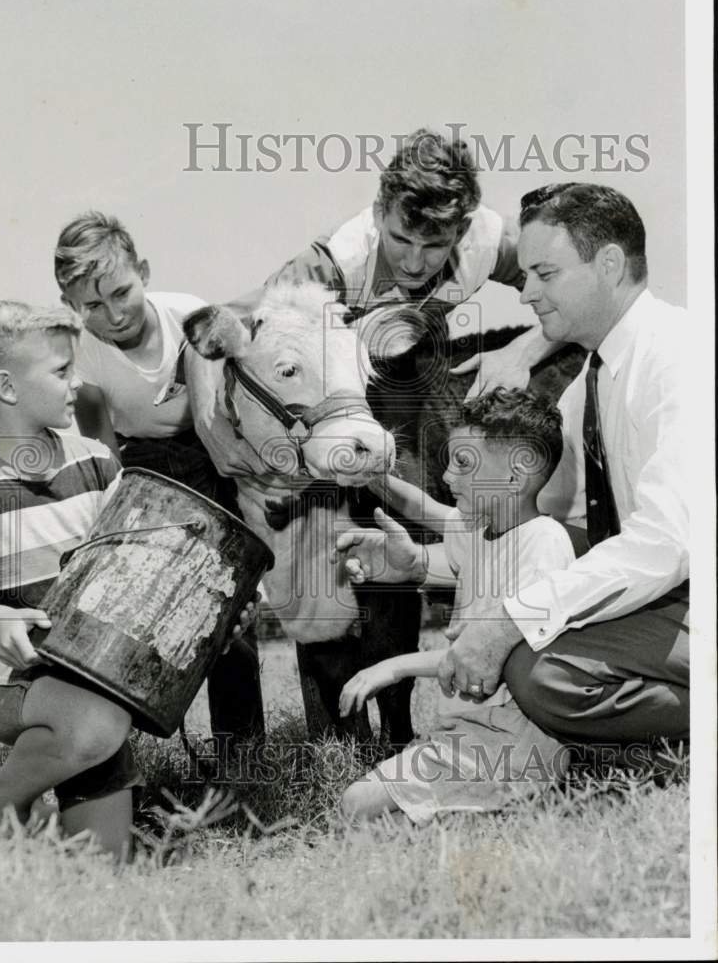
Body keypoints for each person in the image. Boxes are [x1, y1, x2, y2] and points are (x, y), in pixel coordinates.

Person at [0, 301, 257, 858]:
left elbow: (139, 574)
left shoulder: (98, 463)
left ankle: (40, 806)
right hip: (3, 674)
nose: (77, 383)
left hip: (95, 675)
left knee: (103, 866)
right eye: (61, 371)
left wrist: (214, 614)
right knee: (100, 722)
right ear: (7, 388)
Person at [437, 183, 689, 747]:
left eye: (545, 275)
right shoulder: (590, 382)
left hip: (694, 594)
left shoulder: (680, 357)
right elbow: (529, 521)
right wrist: (419, 559)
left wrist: (508, 617)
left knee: (537, 667)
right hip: (666, 597)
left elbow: (665, 543)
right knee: (536, 659)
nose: (525, 294)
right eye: (525, 274)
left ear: (609, 263)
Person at [54, 212, 264, 751]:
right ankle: (111, 757)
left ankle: (241, 755)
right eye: (92, 306)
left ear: (143, 272)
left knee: (228, 608)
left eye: (121, 291)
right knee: (129, 606)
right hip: (141, 467)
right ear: (72, 308)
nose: (113, 313)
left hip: (206, 447)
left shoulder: (184, 314)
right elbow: (104, 449)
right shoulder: (83, 354)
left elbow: (222, 406)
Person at [332, 389, 576, 822]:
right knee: (369, 803)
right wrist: (367, 469)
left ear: (516, 477)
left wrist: (391, 667)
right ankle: (477, 811)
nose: (447, 476)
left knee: (358, 805)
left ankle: (514, 804)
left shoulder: (542, 543)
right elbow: (421, 506)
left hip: (512, 743)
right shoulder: (478, 528)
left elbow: (492, 655)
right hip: (469, 732)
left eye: (464, 464)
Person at [230, 127, 566, 396]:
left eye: (435, 245)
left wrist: (521, 353)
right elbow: (209, 338)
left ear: (462, 229)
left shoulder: (493, 240)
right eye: (401, 240)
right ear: (379, 214)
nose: (414, 264)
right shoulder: (330, 265)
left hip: (413, 358)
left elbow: (588, 294)